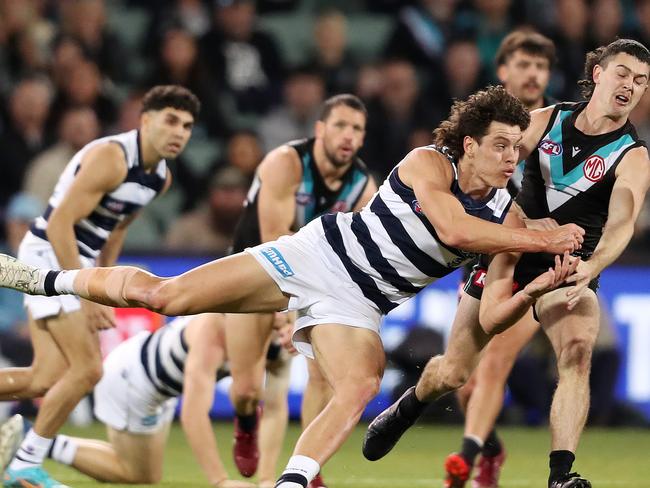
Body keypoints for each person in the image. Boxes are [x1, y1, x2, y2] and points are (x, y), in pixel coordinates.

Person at [0, 85, 585, 488]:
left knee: (359, 383)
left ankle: (292, 480)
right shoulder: (428, 163)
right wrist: (544, 238)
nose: (513, 157)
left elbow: (490, 316)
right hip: (315, 255)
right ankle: (47, 276)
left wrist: (537, 289)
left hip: (359, 303)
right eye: (501, 144)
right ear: (470, 145)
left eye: (518, 145)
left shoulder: (510, 219)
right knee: (165, 297)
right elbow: (454, 227)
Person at [362, 39, 650, 488]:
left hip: (569, 270)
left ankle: (560, 475)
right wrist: (520, 221)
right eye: (623, 74)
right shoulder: (549, 121)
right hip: (509, 253)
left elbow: (621, 225)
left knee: (577, 352)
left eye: (641, 81)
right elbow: (490, 161)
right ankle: (411, 404)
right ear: (598, 74)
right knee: (456, 371)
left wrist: (592, 267)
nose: (631, 87)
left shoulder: (633, 155)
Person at [0, 85, 200, 488]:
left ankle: (25, 457)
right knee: (88, 368)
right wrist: (85, 290)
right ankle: (25, 462)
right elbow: (58, 224)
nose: (180, 131)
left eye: (188, 125)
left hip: (78, 263)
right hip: (48, 257)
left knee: (44, 378)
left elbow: (115, 230)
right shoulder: (111, 157)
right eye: (171, 120)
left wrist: (105, 282)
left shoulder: (159, 178)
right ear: (145, 120)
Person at [225, 93, 376, 488]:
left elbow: (357, 251)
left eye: (357, 129)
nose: (348, 136)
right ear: (320, 130)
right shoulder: (284, 163)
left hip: (316, 283)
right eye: (340, 125)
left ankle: (310, 470)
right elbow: (275, 240)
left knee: (321, 375)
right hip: (252, 271)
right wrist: (286, 311)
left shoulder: (363, 185)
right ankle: (245, 421)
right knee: (244, 389)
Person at [0, 313, 290, 487]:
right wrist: (220, 480)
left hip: (157, 386)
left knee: (146, 474)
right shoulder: (215, 331)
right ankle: (34, 442)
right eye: (273, 311)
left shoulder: (277, 343)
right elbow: (193, 414)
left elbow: (276, 409)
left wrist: (267, 480)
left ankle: (31, 439)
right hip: (133, 379)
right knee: (132, 472)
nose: (279, 319)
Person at [450, 29, 557, 487]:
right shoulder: (479, 128)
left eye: (541, 66)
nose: (534, 74)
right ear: (503, 71)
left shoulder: (559, 127)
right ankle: (490, 449)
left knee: (496, 363)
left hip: (534, 261)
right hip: (484, 255)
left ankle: (465, 462)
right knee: (460, 378)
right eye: (525, 64)